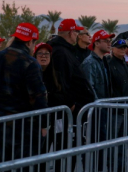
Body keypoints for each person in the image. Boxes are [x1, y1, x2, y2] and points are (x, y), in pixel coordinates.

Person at [0, 23, 48, 168]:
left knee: (2, 164)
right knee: (26, 164)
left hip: (2, 120)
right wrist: (44, 125)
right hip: (26, 124)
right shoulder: (30, 63)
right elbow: (38, 96)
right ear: (29, 42)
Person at [47, 19, 95, 169]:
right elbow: (60, 82)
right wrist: (71, 104)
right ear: (71, 33)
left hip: (69, 111)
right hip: (65, 113)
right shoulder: (61, 52)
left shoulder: (64, 50)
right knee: (65, 151)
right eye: (77, 32)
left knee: (68, 151)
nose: (77, 35)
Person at [80, 30, 114, 171]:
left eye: (109, 40)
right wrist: (98, 105)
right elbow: (90, 88)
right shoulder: (89, 63)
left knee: (100, 146)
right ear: (97, 43)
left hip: (101, 109)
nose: (109, 43)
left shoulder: (103, 61)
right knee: (94, 146)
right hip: (94, 112)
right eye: (106, 40)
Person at [107, 38, 128, 171]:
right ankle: (113, 167)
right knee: (113, 142)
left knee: (124, 142)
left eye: (124, 47)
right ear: (113, 49)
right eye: (119, 47)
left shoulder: (126, 65)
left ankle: (122, 167)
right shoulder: (109, 65)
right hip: (115, 110)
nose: (122, 50)